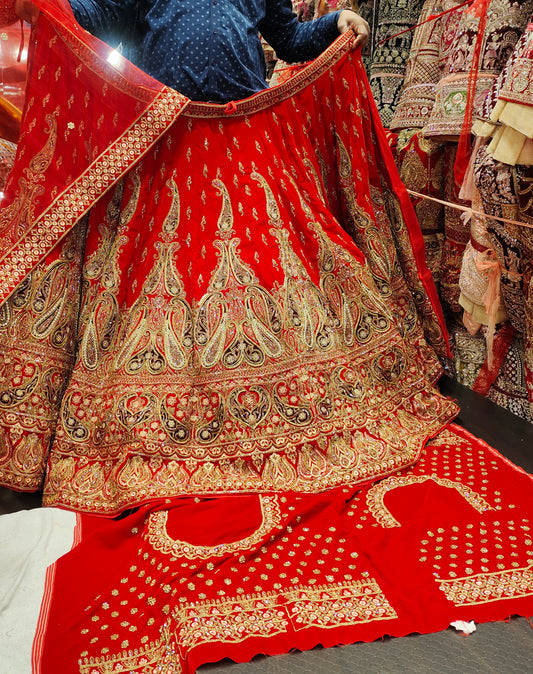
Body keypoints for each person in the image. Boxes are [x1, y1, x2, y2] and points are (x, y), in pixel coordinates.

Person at [0, 0, 456, 515]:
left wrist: (333, 24)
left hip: (250, 143)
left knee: (288, 274)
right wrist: (45, 7)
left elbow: (288, 38)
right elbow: (95, 16)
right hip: (169, 143)